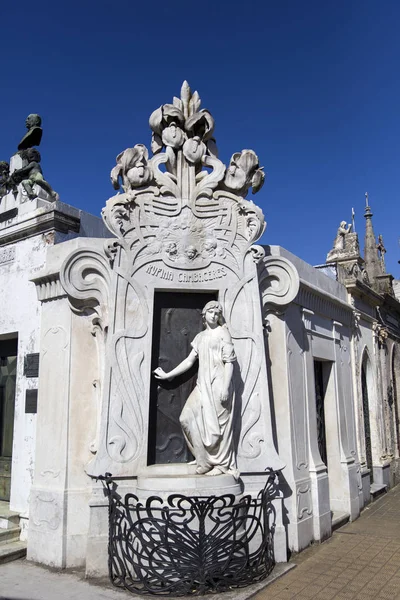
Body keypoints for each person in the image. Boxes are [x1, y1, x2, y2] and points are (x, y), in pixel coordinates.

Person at [154, 301, 238, 477]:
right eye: (211, 312)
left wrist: (225, 387)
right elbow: (189, 361)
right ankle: (203, 459)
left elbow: (229, 362)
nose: (214, 316)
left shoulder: (223, 333)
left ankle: (220, 465)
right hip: (202, 384)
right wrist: (169, 374)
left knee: (216, 430)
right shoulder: (200, 337)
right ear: (204, 314)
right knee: (185, 418)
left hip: (218, 383)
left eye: (217, 313)